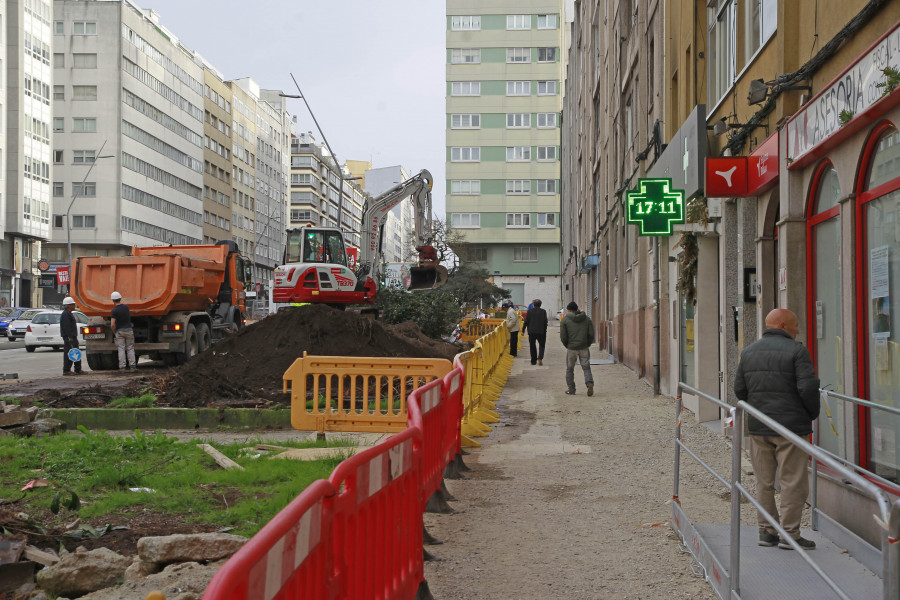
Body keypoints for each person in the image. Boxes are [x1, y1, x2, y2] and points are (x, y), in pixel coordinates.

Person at [734, 308, 821, 551]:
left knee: (764, 481)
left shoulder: (748, 352)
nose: (798, 330)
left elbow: (740, 390)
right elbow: (808, 387)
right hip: (791, 428)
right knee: (792, 481)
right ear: (783, 325)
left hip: (760, 426)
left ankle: (767, 531)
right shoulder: (797, 351)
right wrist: (811, 415)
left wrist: (758, 410)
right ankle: (790, 534)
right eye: (795, 325)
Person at [560, 301, 594, 396]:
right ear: (577, 308)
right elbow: (591, 334)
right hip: (584, 347)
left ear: (569, 310)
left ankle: (571, 389)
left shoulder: (565, 320)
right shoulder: (586, 319)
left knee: (570, 368)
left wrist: (567, 345)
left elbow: (563, 336)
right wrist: (587, 343)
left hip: (571, 348)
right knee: (586, 367)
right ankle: (589, 383)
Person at [110, 291, 137, 370]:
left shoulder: (114, 311)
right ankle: (132, 366)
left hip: (120, 331)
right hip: (129, 330)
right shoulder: (126, 308)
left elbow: (112, 324)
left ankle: (122, 367)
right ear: (120, 298)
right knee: (130, 348)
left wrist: (114, 332)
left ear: (112, 300)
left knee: (121, 348)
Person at [60, 296, 83, 375]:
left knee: (76, 352)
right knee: (69, 353)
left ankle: (78, 369)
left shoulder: (69, 313)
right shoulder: (66, 314)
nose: (74, 305)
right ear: (68, 305)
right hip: (69, 337)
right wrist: (70, 337)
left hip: (72, 337)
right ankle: (66, 370)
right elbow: (66, 327)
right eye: (73, 304)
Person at [523, 299, 548, 366]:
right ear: (540, 304)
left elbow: (526, 321)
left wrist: (523, 330)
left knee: (532, 346)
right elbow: (545, 322)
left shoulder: (530, 311)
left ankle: (533, 361)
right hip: (541, 331)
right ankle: (540, 357)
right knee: (542, 345)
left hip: (531, 332)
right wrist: (545, 330)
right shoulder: (543, 311)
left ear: (533, 304)